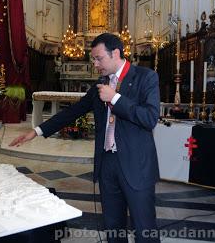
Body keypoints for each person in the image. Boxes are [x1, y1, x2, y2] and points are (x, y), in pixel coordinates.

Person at [10, 33, 160, 243]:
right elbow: (73, 112)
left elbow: (150, 118)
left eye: (99, 58)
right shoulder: (101, 83)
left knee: (145, 229)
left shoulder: (146, 77)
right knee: (113, 228)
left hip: (137, 165)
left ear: (115, 53)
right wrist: (36, 131)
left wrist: (115, 98)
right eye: (94, 59)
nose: (95, 64)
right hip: (107, 164)